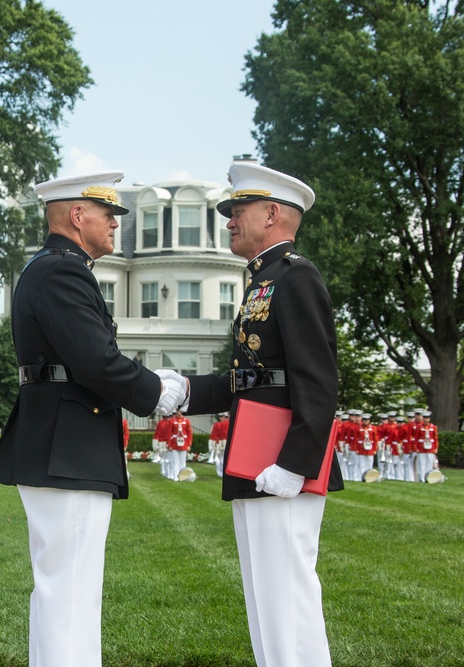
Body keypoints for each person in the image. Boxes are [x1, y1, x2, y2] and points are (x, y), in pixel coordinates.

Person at [0, 171, 185, 667]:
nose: (116, 224)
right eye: (108, 214)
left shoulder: (52, 268)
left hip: (59, 440)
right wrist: (156, 392)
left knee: (63, 592)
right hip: (67, 445)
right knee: (70, 595)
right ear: (77, 216)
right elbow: (95, 361)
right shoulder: (63, 272)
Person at [159, 160, 343, 667]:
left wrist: (296, 463)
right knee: (266, 596)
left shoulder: (295, 277)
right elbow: (251, 379)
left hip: (281, 458)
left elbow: (318, 379)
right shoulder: (261, 280)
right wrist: (187, 390)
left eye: (239, 210)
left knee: (286, 592)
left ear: (273, 214)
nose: (230, 220)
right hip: (255, 448)